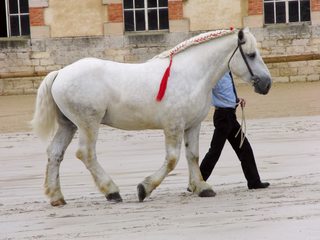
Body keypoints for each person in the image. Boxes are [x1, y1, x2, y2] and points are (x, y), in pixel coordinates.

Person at [200, 71, 270, 189]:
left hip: (230, 116)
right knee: (215, 151)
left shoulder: (226, 72)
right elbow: (205, 90)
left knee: (244, 149)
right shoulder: (214, 73)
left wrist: (236, 100)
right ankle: (197, 181)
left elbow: (226, 93)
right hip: (223, 117)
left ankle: (254, 182)